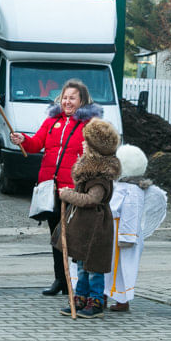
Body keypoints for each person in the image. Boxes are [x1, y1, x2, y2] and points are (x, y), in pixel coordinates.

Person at [10, 79, 102, 296]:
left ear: (82, 100)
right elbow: (35, 144)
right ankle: (60, 279)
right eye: (64, 97)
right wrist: (22, 139)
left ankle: (78, 283)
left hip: (75, 190)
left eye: (72, 98)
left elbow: (98, 153)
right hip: (51, 188)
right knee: (56, 236)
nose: (67, 102)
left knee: (74, 237)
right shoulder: (52, 121)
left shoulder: (90, 124)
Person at [55, 118, 121, 319]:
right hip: (84, 225)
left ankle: (96, 302)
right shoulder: (88, 170)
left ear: (94, 147)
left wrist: (68, 195)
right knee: (82, 265)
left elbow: (92, 199)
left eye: (86, 141)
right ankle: (81, 298)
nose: (82, 144)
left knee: (93, 267)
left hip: (96, 226)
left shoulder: (100, 176)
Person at [106, 145, 167, 312]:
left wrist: (127, 236)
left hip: (123, 234)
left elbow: (131, 214)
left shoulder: (132, 190)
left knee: (122, 268)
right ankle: (102, 294)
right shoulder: (119, 185)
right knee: (107, 266)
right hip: (112, 230)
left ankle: (122, 299)